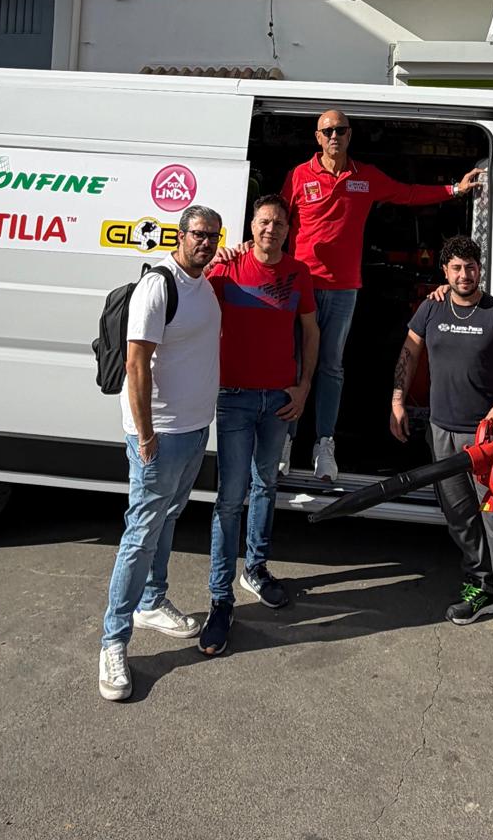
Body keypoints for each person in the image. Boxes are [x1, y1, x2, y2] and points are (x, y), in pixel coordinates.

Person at [282, 108, 483, 481]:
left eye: (341, 130)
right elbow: (273, 224)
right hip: (302, 287)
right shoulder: (298, 176)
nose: (334, 136)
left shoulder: (365, 176)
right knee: (293, 364)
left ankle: (324, 445)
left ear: (350, 135)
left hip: (343, 289)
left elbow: (408, 194)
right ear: (318, 137)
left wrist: (455, 190)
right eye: (328, 131)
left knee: (331, 367)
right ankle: (285, 440)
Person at [390, 235, 493, 663]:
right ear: (445, 272)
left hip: (487, 439)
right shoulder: (431, 308)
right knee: (459, 517)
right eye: (456, 268)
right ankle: (482, 587)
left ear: (479, 269)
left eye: (470, 267)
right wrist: (398, 400)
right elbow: (409, 353)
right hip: (442, 432)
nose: (464, 274)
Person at [98, 204, 223, 703]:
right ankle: (113, 641)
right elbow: (136, 364)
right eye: (198, 234)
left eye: (213, 236)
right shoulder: (158, 285)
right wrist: (146, 435)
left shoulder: (204, 284)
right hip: (161, 435)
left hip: (193, 430)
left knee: (167, 518)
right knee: (140, 535)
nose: (206, 243)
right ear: (180, 235)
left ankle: (152, 601)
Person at [199, 193, 320, 657]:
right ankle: (220, 600)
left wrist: (303, 387)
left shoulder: (298, 273)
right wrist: (214, 264)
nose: (272, 228)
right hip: (233, 398)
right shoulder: (228, 268)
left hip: (278, 400)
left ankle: (256, 569)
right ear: (252, 226)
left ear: (289, 230)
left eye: (280, 223)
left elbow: (311, 332)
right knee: (230, 499)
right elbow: (189, 301)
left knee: (266, 484)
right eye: (264, 221)